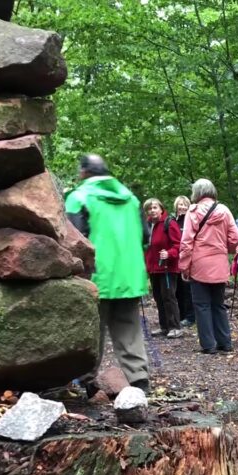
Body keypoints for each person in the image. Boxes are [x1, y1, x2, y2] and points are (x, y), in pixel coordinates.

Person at [64, 154, 150, 391]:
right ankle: (138, 380)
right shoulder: (131, 199)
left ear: (83, 172)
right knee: (129, 329)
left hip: (96, 276)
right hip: (130, 275)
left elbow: (74, 241)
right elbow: (146, 237)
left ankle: (89, 382)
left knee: (92, 331)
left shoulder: (78, 198)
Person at [178, 179, 238, 354]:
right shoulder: (224, 210)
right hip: (220, 263)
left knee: (201, 305)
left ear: (196, 193)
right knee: (218, 304)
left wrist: (183, 266)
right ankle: (225, 343)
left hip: (199, 265)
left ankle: (209, 345)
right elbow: (236, 238)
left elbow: (186, 242)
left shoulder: (193, 212)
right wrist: (225, 250)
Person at [143, 197, 184, 339]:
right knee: (158, 298)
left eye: (155, 207)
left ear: (161, 209)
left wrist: (169, 253)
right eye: (149, 208)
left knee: (169, 297)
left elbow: (179, 245)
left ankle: (175, 327)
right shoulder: (147, 225)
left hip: (167, 267)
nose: (152, 210)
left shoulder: (169, 223)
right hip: (153, 268)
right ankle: (164, 326)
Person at [173, 196, 195, 327]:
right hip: (175, 260)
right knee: (178, 289)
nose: (182, 207)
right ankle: (180, 315)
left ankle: (190, 316)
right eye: (180, 205)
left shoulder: (190, 220)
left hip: (188, 259)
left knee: (188, 289)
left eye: (184, 205)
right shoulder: (172, 221)